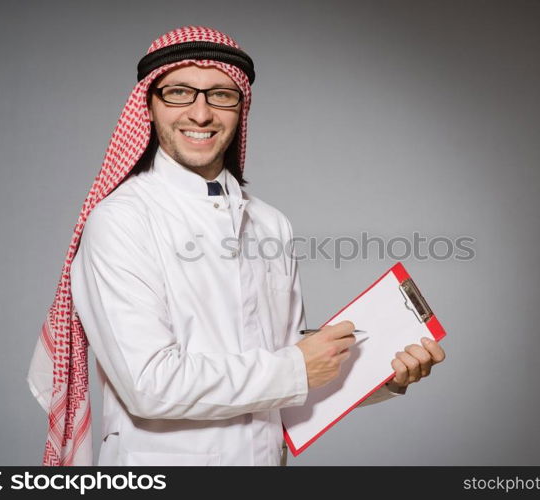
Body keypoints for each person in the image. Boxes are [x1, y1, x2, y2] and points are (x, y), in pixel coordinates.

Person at [27, 26, 445, 466]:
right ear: (149, 105)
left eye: (221, 95)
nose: (201, 114)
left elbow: (285, 390)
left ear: (241, 107)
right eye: (179, 93)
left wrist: (383, 375)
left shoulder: (270, 224)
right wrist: (296, 368)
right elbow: (149, 385)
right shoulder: (121, 221)